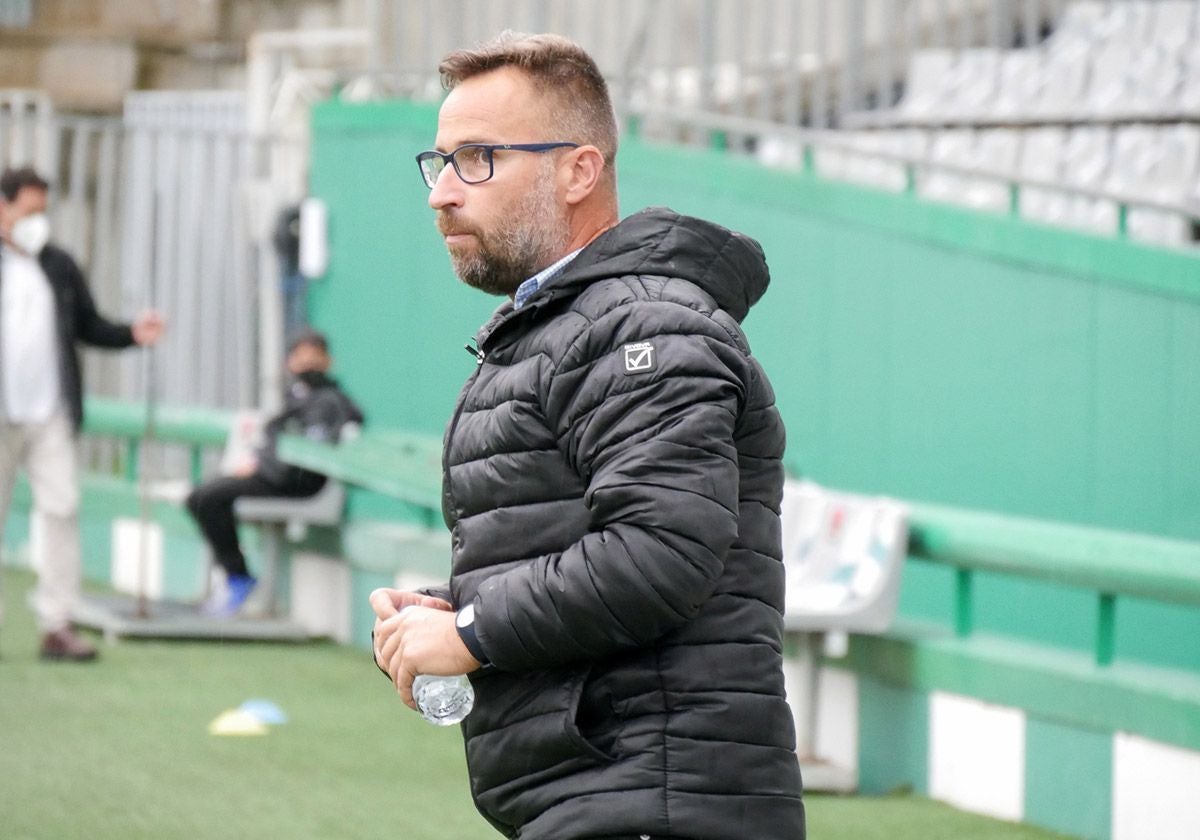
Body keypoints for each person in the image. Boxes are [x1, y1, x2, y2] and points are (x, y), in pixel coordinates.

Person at [369, 32, 805, 840]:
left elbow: (660, 551)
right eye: (439, 162)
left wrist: (470, 632)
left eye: (478, 158)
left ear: (578, 170)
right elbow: (583, 536)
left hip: (661, 801)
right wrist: (453, 606)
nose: (442, 194)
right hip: (614, 795)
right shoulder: (570, 325)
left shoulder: (644, 325)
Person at [0, 165, 165, 662]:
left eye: (43, 211)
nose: (38, 221)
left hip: (50, 412)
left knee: (63, 509)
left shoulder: (59, 265)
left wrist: (132, 334)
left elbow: (89, 325)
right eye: (29, 211)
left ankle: (58, 623)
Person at [186, 329, 363, 617]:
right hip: (270, 476)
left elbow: (310, 451)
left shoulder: (331, 401)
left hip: (296, 485)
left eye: (315, 359)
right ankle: (235, 576)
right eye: (301, 358)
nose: (308, 366)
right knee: (200, 496)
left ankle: (238, 577)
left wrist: (263, 467)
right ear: (289, 363)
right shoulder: (294, 396)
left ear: (327, 361)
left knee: (208, 498)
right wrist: (256, 462)